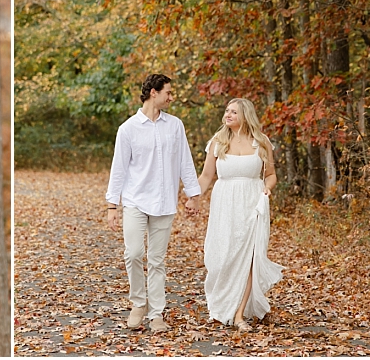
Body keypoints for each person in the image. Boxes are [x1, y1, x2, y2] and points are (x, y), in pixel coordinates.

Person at [105, 73, 202, 331]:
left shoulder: (175, 126)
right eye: (168, 92)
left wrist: (193, 195)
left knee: (157, 260)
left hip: (165, 201)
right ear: (153, 93)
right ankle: (139, 303)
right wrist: (112, 206)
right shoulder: (128, 129)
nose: (172, 97)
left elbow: (185, 161)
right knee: (134, 253)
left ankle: (156, 313)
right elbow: (119, 170)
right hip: (136, 200)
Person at [185, 97, 284, 331]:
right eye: (227, 111)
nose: (227, 115)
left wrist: (267, 188)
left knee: (249, 257)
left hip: (252, 203)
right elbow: (207, 176)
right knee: (222, 256)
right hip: (224, 205)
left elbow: (270, 174)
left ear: (245, 116)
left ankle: (239, 314)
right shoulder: (217, 142)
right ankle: (222, 303)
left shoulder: (261, 142)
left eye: (233, 112)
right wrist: (193, 198)